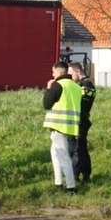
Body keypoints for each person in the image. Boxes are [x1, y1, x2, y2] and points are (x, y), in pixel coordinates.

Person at [43, 61, 80, 192]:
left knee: (63, 156)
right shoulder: (75, 86)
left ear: (60, 72)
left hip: (58, 125)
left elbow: (46, 103)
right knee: (55, 153)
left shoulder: (58, 85)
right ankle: (58, 183)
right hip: (70, 125)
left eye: (53, 71)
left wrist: (48, 88)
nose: (52, 74)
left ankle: (71, 187)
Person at [68, 61, 95, 185]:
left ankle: (82, 175)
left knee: (78, 149)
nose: (69, 77)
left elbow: (81, 105)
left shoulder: (86, 86)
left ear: (78, 72)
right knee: (76, 148)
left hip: (81, 121)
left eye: (70, 74)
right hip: (76, 121)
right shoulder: (80, 85)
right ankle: (78, 174)